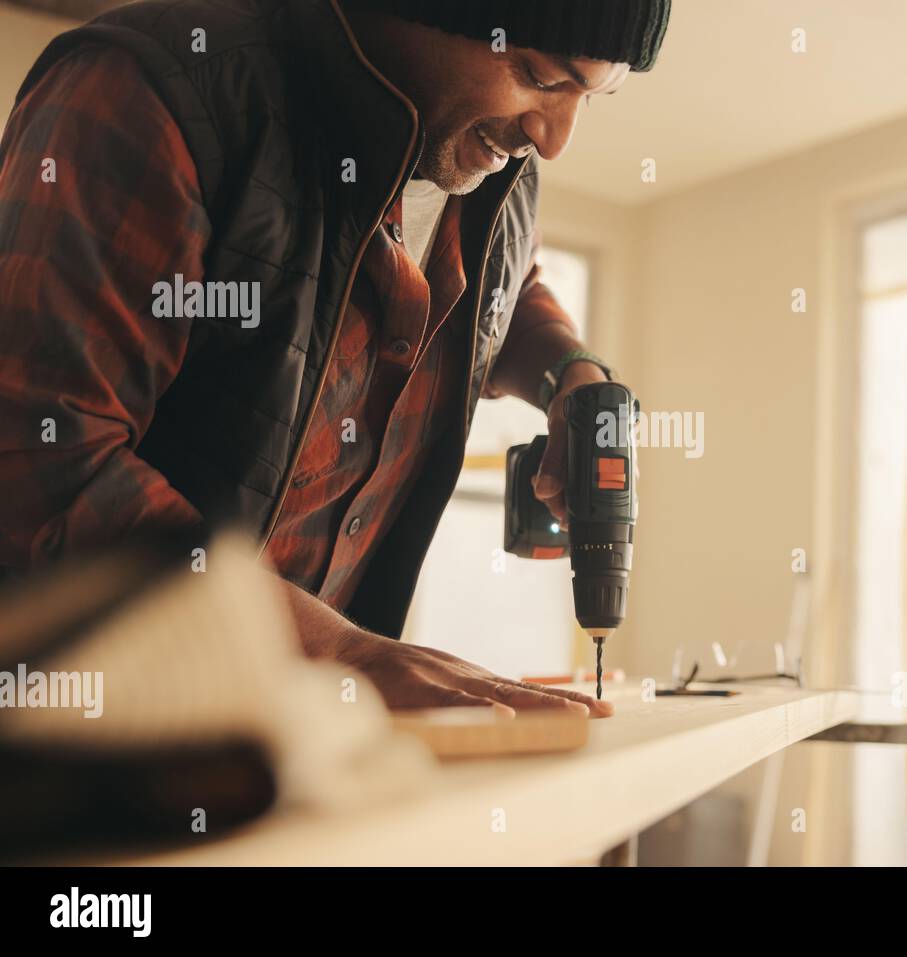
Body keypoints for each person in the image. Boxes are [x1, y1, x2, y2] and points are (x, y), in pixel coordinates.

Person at [0, 0, 672, 716]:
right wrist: (341, 653)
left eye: (593, 97)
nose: (556, 137)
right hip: (72, 750)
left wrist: (572, 374)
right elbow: (37, 458)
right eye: (540, 75)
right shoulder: (152, 91)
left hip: (286, 748)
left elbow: (510, 287)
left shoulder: (495, 173)